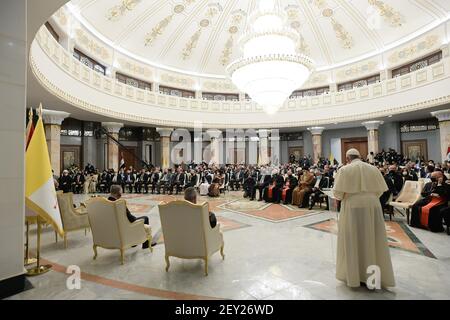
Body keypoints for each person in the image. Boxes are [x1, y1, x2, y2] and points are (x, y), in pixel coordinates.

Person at [333, 148, 395, 288]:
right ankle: (372, 277)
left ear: (348, 158)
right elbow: (380, 191)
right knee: (372, 239)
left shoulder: (345, 170)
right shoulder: (373, 169)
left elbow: (337, 193)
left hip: (352, 206)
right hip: (373, 206)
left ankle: (355, 276)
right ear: (359, 157)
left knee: (353, 239)